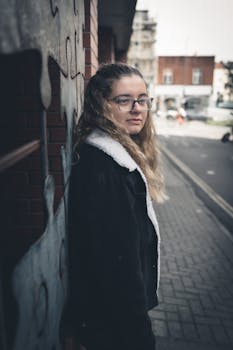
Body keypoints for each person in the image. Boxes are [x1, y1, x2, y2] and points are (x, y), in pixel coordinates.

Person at [65, 63, 164, 350]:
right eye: (124, 100)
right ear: (101, 105)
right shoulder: (108, 170)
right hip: (112, 326)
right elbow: (120, 269)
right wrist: (141, 338)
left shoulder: (113, 158)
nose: (137, 108)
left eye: (143, 99)